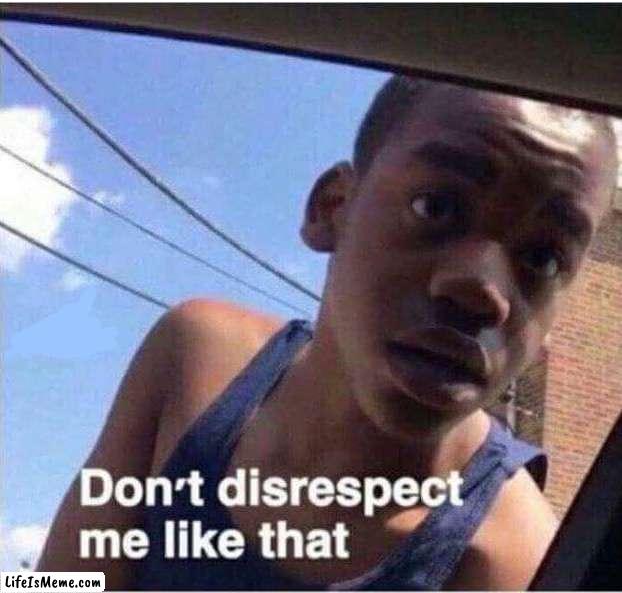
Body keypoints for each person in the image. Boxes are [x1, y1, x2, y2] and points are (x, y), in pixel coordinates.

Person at [37, 76, 619, 590]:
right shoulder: (196, 359)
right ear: (333, 207)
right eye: (435, 207)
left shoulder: (516, 559)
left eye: (543, 259)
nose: (481, 290)